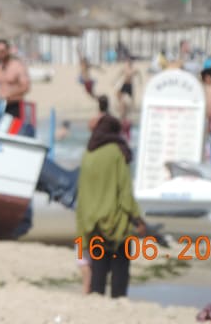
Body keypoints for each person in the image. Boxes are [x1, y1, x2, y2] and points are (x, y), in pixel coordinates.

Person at [75, 113, 146, 298]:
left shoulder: (88, 154)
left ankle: (97, 303)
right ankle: (117, 302)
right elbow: (124, 192)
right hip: (116, 224)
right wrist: (137, 219)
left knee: (98, 271)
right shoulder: (116, 152)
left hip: (92, 223)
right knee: (120, 269)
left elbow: (82, 193)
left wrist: (82, 226)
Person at [0, 38, 32, 135]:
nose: (0, 54)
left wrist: (10, 94)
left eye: (2, 51)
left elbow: (26, 87)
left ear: (8, 51)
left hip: (15, 106)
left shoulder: (17, 66)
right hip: (1, 107)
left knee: (14, 134)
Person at [112, 57, 139, 123]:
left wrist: (140, 81)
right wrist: (114, 81)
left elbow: (138, 74)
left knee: (132, 98)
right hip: (125, 84)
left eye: (130, 62)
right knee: (119, 95)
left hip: (130, 85)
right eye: (128, 62)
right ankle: (121, 108)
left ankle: (130, 110)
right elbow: (119, 74)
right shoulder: (125, 69)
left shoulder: (133, 70)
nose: (129, 63)